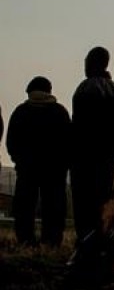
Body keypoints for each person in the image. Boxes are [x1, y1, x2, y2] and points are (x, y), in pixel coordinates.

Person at [5, 76, 72, 247]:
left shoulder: (21, 111)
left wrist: (18, 159)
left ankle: (25, 240)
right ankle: (51, 240)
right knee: (54, 207)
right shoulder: (59, 112)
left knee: (24, 207)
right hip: (54, 170)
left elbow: (11, 141)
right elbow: (69, 141)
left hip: (27, 168)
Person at [71, 46, 114, 243]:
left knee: (84, 197)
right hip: (108, 152)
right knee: (105, 194)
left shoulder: (85, 88)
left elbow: (79, 125)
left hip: (84, 152)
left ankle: (85, 235)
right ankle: (104, 233)